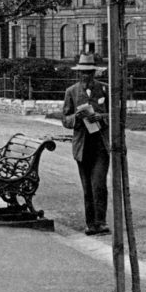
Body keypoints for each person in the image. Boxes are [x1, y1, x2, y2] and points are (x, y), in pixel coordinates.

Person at [58, 58, 110, 234]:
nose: (86, 75)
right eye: (83, 72)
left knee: (99, 184)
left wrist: (102, 117)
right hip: (83, 146)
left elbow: (116, 115)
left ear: (94, 73)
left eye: (89, 72)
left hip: (101, 145)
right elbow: (65, 119)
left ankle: (101, 221)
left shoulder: (104, 89)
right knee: (87, 187)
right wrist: (76, 118)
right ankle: (91, 223)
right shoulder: (71, 92)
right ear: (78, 73)